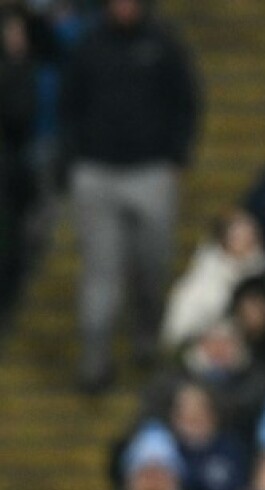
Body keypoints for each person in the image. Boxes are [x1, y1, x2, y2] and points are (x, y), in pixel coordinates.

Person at [61, 0, 200, 392]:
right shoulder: (88, 45)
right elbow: (68, 104)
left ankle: (146, 338)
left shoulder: (163, 43)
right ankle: (94, 363)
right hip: (96, 172)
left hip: (150, 171)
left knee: (152, 266)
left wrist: (177, 154)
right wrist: (75, 156)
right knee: (100, 275)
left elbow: (186, 99)